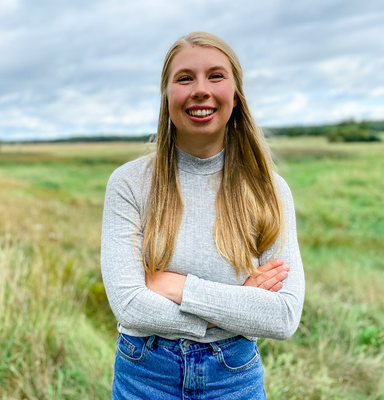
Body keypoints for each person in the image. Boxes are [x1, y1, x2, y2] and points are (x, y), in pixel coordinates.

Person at [100, 31, 304, 399]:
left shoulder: (269, 189)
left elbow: (283, 315)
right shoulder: (129, 183)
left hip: (233, 377)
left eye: (215, 75)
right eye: (184, 78)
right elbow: (129, 305)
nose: (200, 90)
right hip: (145, 374)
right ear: (166, 96)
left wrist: (178, 287)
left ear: (236, 94)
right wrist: (237, 304)